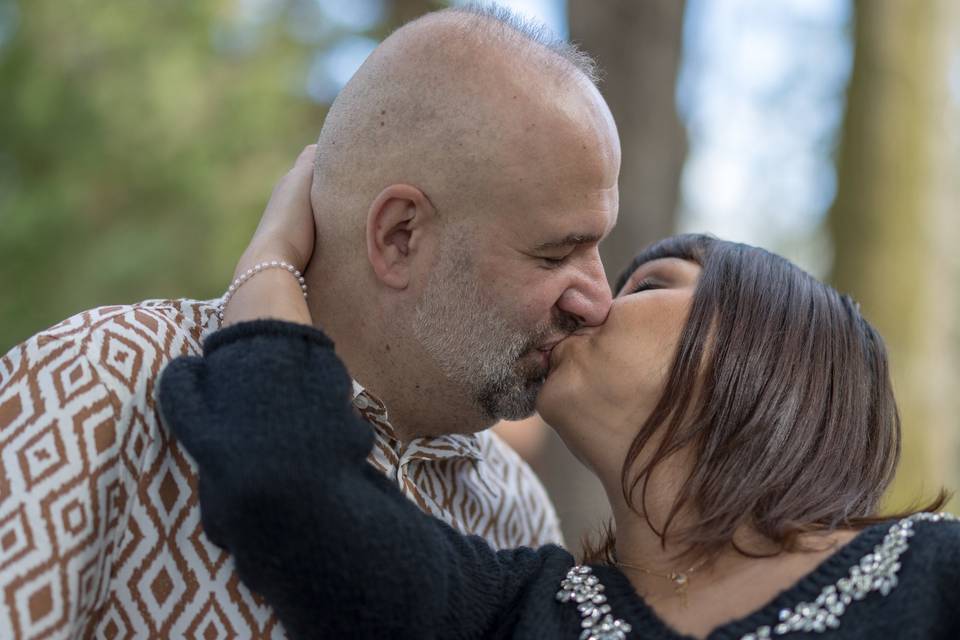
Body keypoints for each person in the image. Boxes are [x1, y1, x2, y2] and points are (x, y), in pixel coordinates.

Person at [159, 150, 958, 639]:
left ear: (767, 349)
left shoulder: (938, 576)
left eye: (646, 283)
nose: (585, 301)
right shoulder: (511, 614)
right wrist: (272, 256)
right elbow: (283, 480)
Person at [0, 6, 618, 637]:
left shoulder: (513, 505)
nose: (598, 300)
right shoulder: (98, 384)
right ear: (400, 235)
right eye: (555, 253)